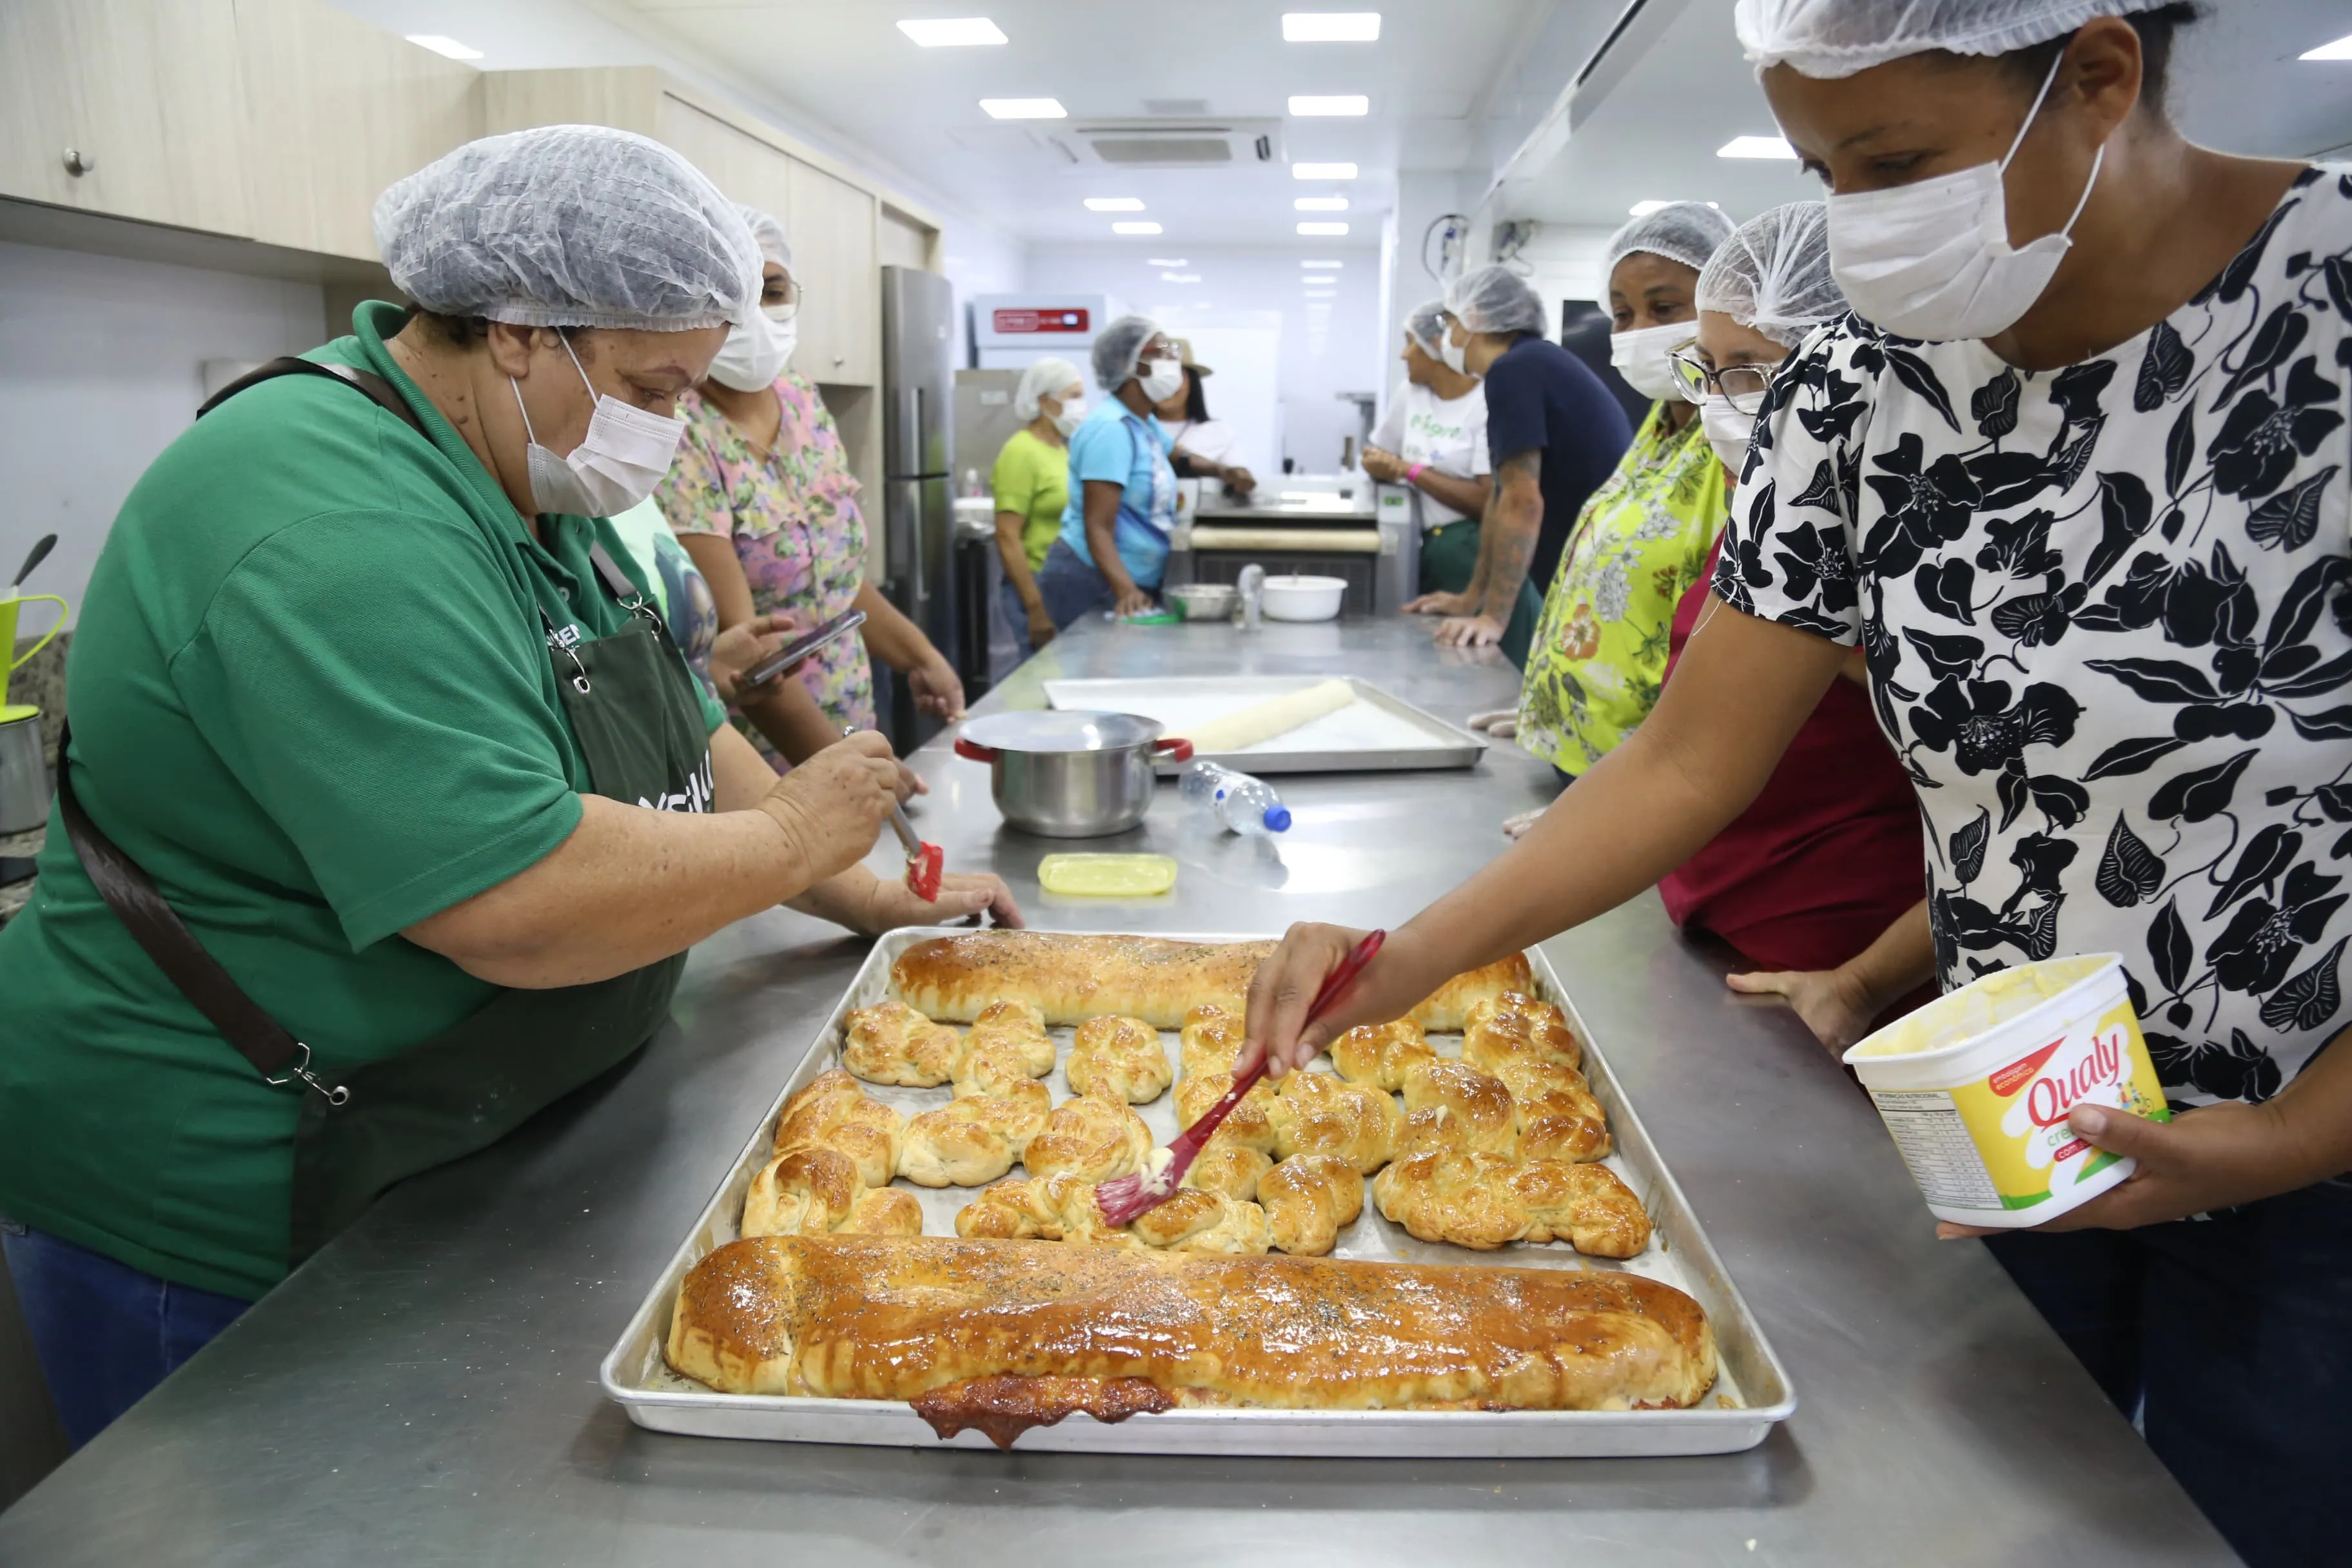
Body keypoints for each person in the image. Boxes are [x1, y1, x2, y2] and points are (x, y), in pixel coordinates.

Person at [1241, 7, 2347, 1563]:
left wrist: (2300, 1136)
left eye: (1895, 161)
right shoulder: (1859, 392)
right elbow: (1691, 754)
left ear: (2097, 74)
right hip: (2006, 1117)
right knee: (2022, 1519)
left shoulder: (2332, 312)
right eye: (1824, 169)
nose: (1860, 225)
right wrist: (1409, 955)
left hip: (2318, 1154)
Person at [0, 126, 1017, 1449]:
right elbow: (515, 897)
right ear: (523, 329)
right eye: (654, 386)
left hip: (468, 1133)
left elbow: (676, 718)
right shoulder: (324, 515)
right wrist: (785, 837)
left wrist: (859, 890)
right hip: (231, 1198)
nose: (670, 428)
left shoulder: (529, 477)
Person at [1656, 202, 1933, 1041]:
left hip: (1836, 955)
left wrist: (1857, 985)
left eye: (1751, 366)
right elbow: (1685, 747)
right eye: (1710, 368)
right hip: (1725, 922)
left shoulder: (1909, 535)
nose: (1724, 399)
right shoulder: (1770, 500)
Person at [657, 204, 966, 767]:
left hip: (848, 721)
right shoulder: (677, 430)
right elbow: (748, 650)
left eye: (772, 290)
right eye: (731, 295)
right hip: (758, 756)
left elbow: (834, 583)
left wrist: (920, 656)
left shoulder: (800, 397)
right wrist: (843, 769)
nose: (753, 314)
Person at [1507, 204, 1738, 779]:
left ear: (1727, 301)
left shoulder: (1738, 438)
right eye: (1622, 314)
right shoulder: (1662, 428)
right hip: (1586, 758)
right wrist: (1547, 699)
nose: (1639, 332)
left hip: (1649, 788)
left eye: (1663, 309)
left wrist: (1617, 815)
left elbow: (1730, 659)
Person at [1407, 265, 1633, 669]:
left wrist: (1493, 618)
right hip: (1589, 558)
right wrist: (1471, 597)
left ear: (1475, 319)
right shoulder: (1532, 364)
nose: (1445, 337)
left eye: (1450, 322)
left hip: (1602, 566)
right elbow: (1501, 495)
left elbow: (1522, 501)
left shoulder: (1515, 371)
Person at [1362, 301, 1505, 629]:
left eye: (1410, 343)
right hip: (1422, 545)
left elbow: (1487, 501)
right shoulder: (1411, 394)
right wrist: (1379, 463)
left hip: (1468, 551)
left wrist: (1408, 471)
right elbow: (1377, 452)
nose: (1404, 355)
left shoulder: (1487, 402)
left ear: (1437, 347)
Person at [1035, 315, 1186, 625]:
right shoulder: (1111, 429)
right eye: (1160, 352)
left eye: (1173, 352)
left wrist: (1226, 471)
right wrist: (1126, 589)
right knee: (1090, 669)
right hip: (1091, 578)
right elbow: (1098, 525)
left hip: (1121, 575)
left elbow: (1182, 457)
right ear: (1126, 363)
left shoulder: (1141, 422)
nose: (1171, 362)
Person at [991, 357, 1084, 654]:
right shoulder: (1020, 452)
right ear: (1045, 401)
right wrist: (1035, 607)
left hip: (1065, 585)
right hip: (1036, 585)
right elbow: (1007, 536)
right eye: (1074, 396)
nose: (1081, 405)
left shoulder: (1063, 449)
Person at [1153, 340, 1256, 496]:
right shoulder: (1134, 427)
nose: (1167, 386)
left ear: (1192, 381)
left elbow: (1239, 478)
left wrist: (1238, 475)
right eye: (1159, 377)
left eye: (1174, 376)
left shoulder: (1221, 433)